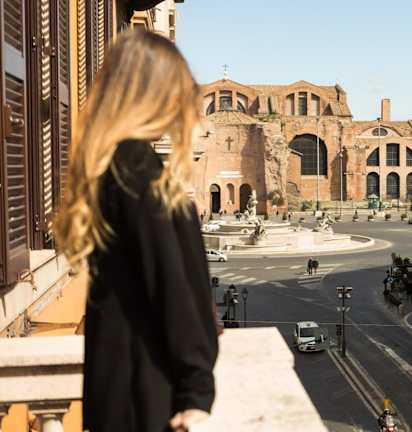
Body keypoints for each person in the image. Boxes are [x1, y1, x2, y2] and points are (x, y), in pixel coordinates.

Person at [53, 30, 218, 432]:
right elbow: (171, 283)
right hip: (146, 390)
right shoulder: (138, 174)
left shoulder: (116, 165)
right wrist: (197, 389)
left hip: (120, 382)